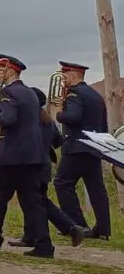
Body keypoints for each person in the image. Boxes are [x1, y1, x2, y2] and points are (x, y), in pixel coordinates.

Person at [0, 54, 53, 258]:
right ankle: (44, 245)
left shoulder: (8, 92)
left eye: (0, 70)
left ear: (10, 71)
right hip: (32, 153)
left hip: (12, 154)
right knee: (32, 200)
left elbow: (8, 119)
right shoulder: (29, 92)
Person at [7, 87, 89, 248]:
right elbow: (58, 141)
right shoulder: (47, 120)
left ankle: (71, 228)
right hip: (43, 164)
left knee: (36, 202)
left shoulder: (32, 120)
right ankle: (30, 236)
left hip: (32, 164)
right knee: (33, 201)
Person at [53, 61, 112, 241]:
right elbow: (103, 124)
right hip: (94, 146)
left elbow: (72, 117)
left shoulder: (74, 95)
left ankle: (76, 225)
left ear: (73, 75)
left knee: (62, 183)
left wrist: (59, 113)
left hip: (76, 147)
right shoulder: (96, 96)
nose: (63, 81)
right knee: (96, 188)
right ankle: (103, 229)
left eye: (65, 77)